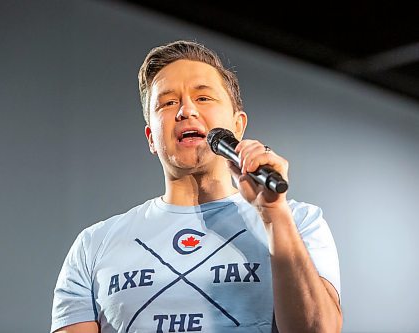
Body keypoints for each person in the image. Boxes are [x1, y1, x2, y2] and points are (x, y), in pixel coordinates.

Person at [51, 40, 342, 333]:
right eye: (168, 102)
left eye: (203, 98)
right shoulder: (93, 245)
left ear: (237, 126)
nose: (185, 111)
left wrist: (274, 214)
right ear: (151, 138)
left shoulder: (300, 223)